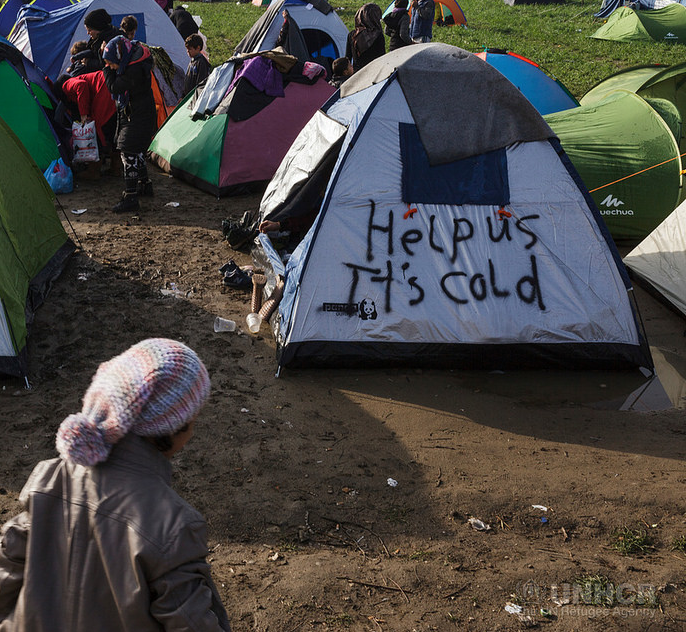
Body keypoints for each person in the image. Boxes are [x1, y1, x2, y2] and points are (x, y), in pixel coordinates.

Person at [0, 338, 232, 632]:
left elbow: (6, 574)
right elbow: (192, 621)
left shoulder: (48, 481)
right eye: (193, 419)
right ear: (172, 429)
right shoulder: (173, 526)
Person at [102, 35, 157, 213]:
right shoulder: (133, 61)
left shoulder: (133, 70)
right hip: (138, 112)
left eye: (111, 63)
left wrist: (107, 71)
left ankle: (131, 196)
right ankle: (144, 185)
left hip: (138, 114)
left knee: (128, 151)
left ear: (119, 57)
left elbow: (114, 87)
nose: (110, 66)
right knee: (135, 149)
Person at [345, 3, 386, 72]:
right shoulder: (378, 36)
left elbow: (347, 58)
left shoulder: (352, 35)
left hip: (357, 73)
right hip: (374, 73)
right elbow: (382, 58)